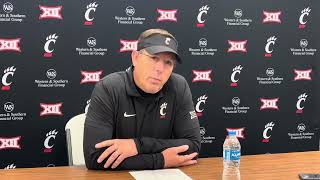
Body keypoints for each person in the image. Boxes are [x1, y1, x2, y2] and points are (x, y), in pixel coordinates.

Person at [83, 28, 201, 170]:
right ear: (135, 58)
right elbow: (95, 157)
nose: (160, 68)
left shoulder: (178, 86)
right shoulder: (109, 88)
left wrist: (137, 145)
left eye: (168, 62)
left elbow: (193, 146)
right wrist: (160, 160)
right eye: (153, 58)